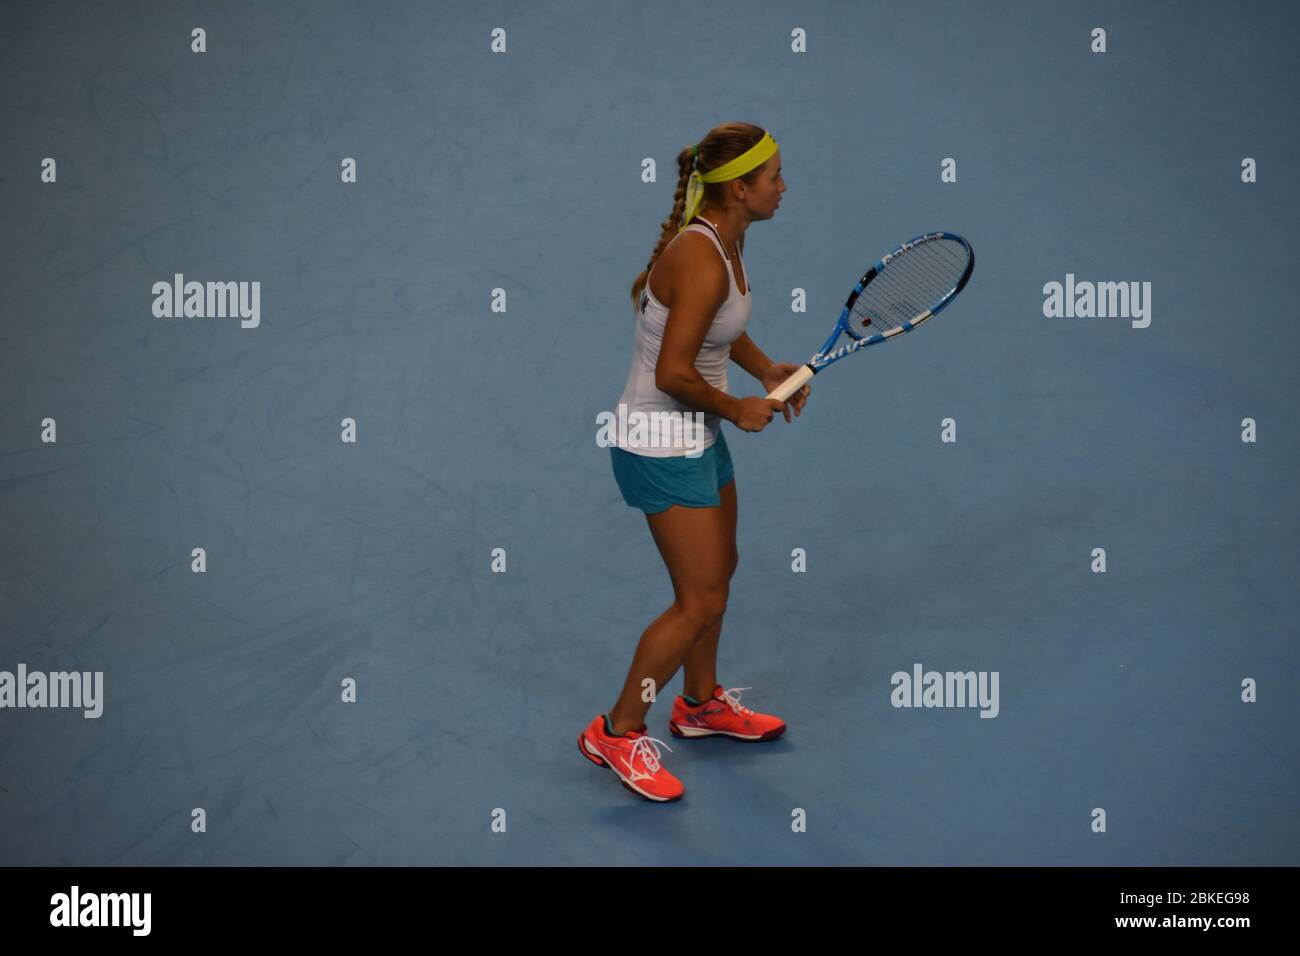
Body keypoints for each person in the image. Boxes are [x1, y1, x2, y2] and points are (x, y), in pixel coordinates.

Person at [578, 123, 811, 802]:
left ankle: (700, 704)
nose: (784, 186)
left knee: (720, 573)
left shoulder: (727, 240)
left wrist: (765, 370)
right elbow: (674, 373)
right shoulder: (703, 259)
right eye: (773, 177)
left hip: (695, 434)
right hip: (658, 442)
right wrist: (737, 408)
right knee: (698, 599)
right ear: (738, 189)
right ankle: (617, 729)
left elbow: (717, 328)